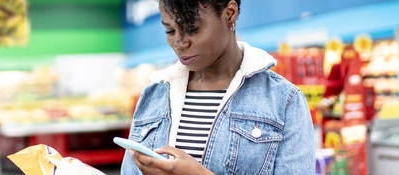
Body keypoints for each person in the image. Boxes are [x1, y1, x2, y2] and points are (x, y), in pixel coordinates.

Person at [120, 0, 315, 174]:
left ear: (230, 14)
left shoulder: (284, 101)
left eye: (192, 28)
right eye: (170, 30)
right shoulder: (153, 96)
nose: (179, 43)